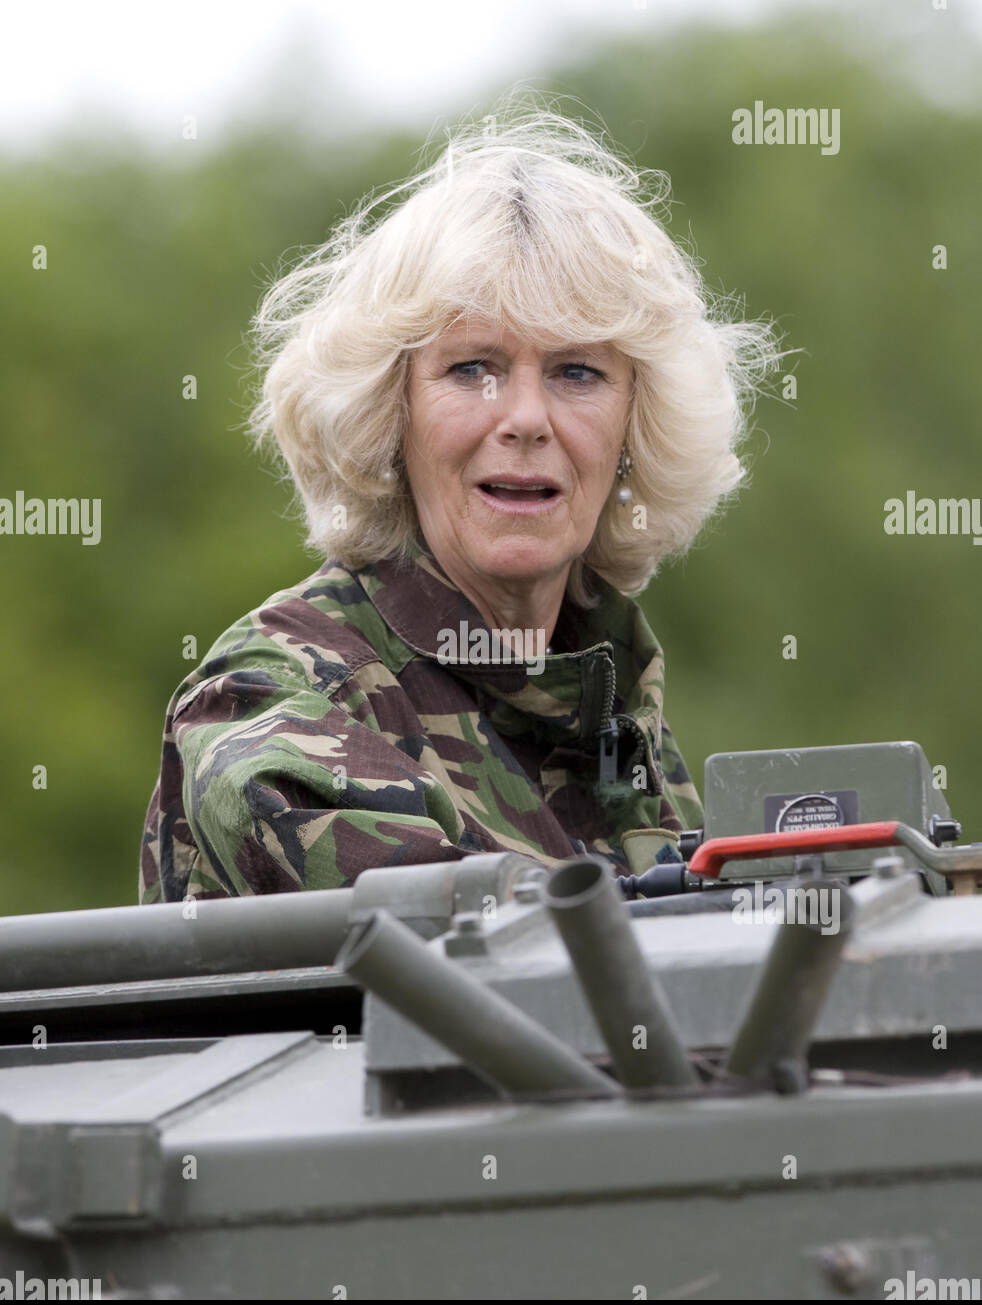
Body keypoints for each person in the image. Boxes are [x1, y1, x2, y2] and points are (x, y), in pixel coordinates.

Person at [138, 103, 778, 903]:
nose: (524, 420)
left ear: (634, 430)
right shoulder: (275, 692)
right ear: (391, 415)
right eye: (473, 367)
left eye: (577, 372)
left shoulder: (605, 702)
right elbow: (472, 961)